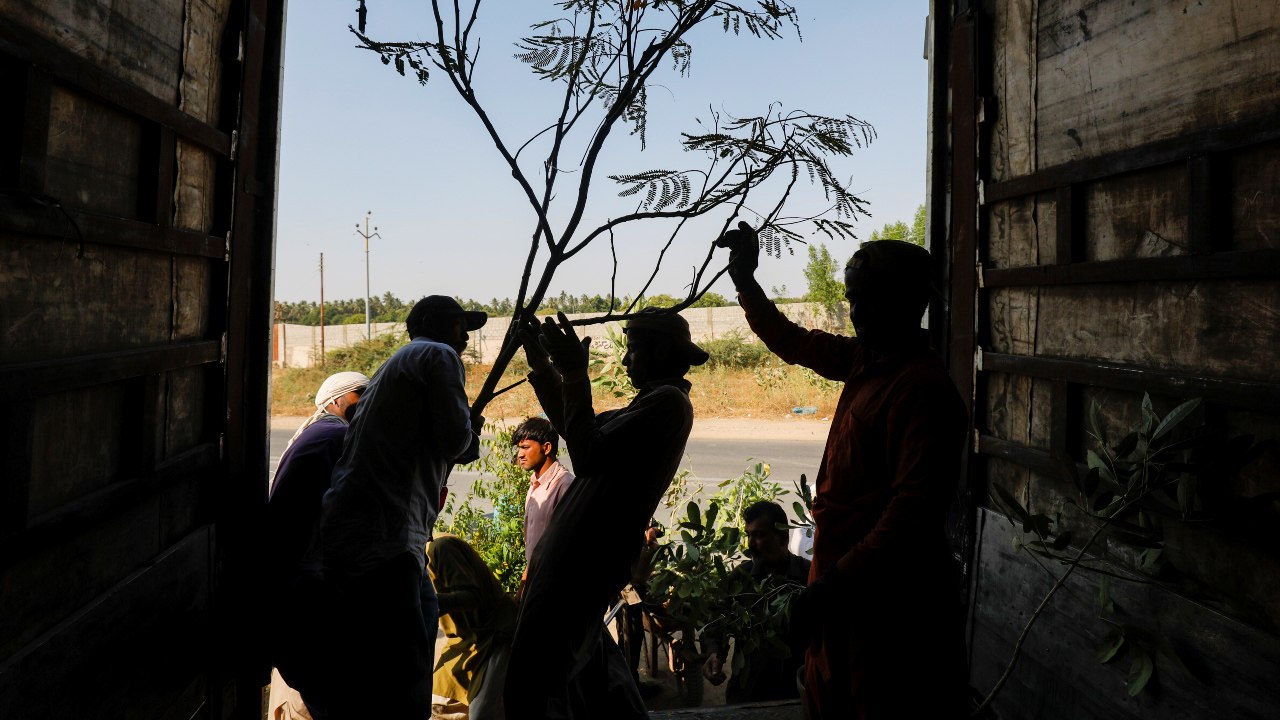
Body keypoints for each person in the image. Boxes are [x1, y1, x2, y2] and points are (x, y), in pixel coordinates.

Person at [717, 222, 970, 719]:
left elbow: (911, 513)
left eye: (868, 300)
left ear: (907, 302)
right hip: (845, 592)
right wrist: (746, 282)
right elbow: (796, 342)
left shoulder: (921, 389)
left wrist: (833, 587)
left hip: (887, 606)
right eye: (852, 300)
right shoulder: (866, 359)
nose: (856, 314)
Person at [503, 310, 709, 720]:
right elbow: (574, 428)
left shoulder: (667, 403)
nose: (627, 361)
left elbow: (587, 453)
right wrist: (543, 366)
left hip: (581, 561)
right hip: (583, 560)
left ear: (661, 352)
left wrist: (576, 376)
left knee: (532, 683)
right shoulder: (649, 403)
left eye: (634, 350)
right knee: (588, 679)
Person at [295, 295, 486, 719]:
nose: (466, 337)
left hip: (369, 532)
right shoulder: (436, 354)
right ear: (437, 325)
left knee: (397, 644)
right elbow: (457, 441)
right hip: (387, 534)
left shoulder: (398, 364)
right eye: (460, 326)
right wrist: (471, 431)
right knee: (402, 664)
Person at [266, 371, 369, 720]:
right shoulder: (336, 436)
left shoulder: (322, 432)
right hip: (306, 578)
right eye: (360, 395)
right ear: (336, 401)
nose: (368, 401)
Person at [701, 500, 811, 704]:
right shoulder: (739, 579)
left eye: (759, 535)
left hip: (794, 693)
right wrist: (714, 652)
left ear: (783, 539)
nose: (751, 544)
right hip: (748, 692)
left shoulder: (807, 578)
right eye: (749, 535)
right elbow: (716, 622)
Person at [428, 534, 518, 720]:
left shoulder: (441, 548)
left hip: (495, 635)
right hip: (464, 644)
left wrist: (426, 604)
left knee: (483, 713)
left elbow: (473, 596)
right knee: (438, 706)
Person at [512, 416, 574, 570]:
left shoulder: (564, 485)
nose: (520, 455)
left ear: (546, 448)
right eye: (519, 448)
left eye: (526, 447)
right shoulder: (535, 484)